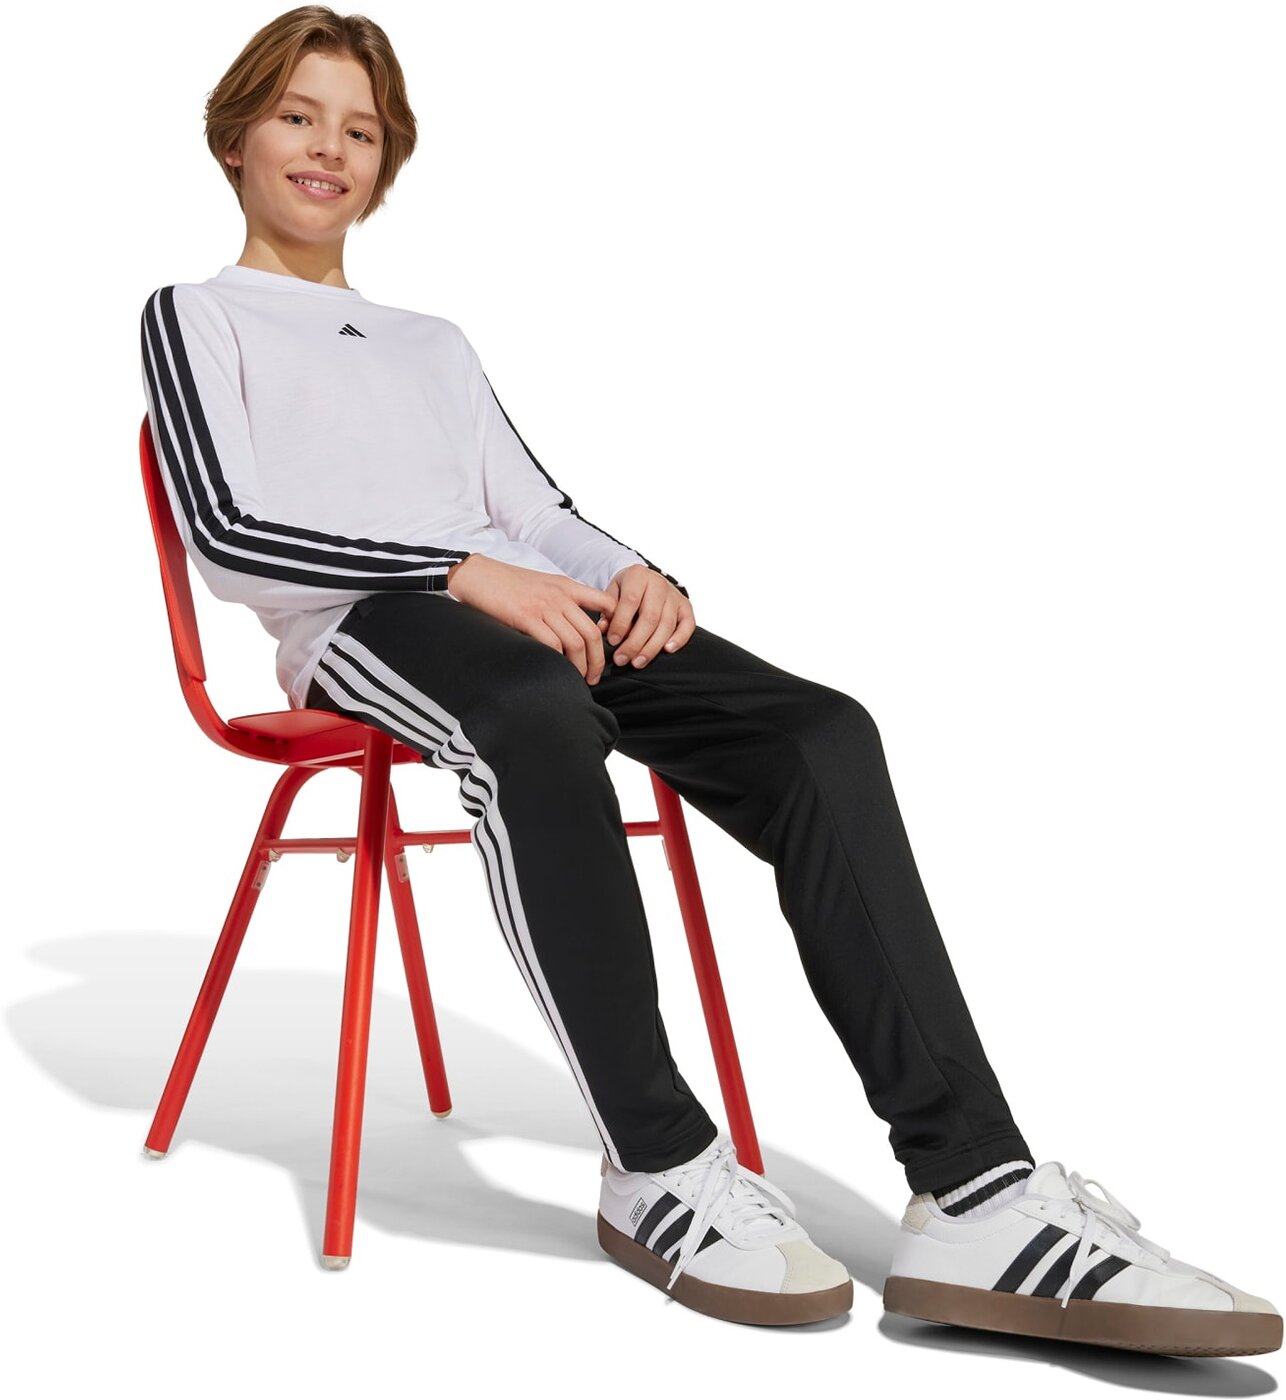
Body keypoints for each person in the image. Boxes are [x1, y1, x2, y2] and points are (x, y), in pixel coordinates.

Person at [139, 5, 1280, 1352]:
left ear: (388, 165)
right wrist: (460, 573)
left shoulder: (431, 340)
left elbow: (537, 512)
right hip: (369, 624)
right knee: (531, 717)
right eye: (297, 115)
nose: (329, 148)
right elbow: (229, 531)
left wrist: (637, 574)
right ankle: (658, 1165)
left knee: (819, 736)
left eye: (361, 130)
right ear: (235, 135)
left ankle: (974, 1188)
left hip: (534, 601)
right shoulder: (197, 315)